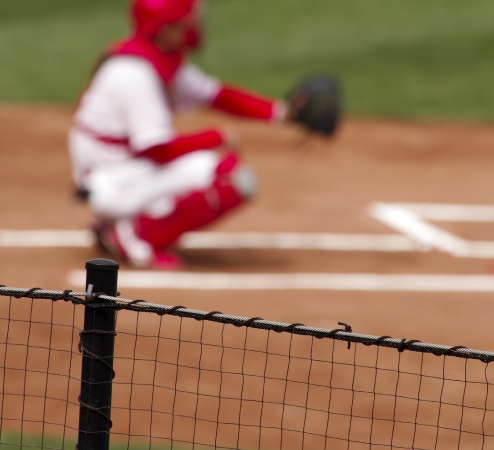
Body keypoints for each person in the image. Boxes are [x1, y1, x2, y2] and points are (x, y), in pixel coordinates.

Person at [69, 0, 318, 269]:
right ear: (162, 29)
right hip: (110, 179)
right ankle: (132, 234)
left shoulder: (157, 57)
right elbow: (156, 149)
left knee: (215, 166)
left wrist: (281, 113)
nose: (191, 27)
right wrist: (214, 137)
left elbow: (218, 96)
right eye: (183, 23)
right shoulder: (134, 73)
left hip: (116, 168)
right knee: (228, 175)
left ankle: (115, 221)